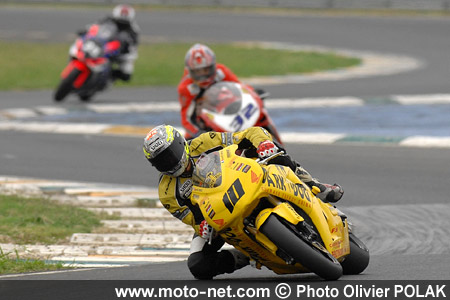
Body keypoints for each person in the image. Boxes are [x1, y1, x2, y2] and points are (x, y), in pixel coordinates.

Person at [142, 125, 344, 279]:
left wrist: (263, 143)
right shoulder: (167, 192)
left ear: (180, 144)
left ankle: (316, 186)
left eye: (170, 155)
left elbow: (248, 134)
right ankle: (245, 256)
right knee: (197, 265)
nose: (169, 163)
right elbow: (190, 217)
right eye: (161, 161)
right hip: (214, 215)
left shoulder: (204, 142)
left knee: (275, 153)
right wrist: (201, 226)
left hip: (242, 181)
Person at [178, 43, 279, 141]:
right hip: (204, 124)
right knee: (193, 149)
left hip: (227, 112)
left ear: (213, 66)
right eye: (197, 72)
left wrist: (254, 94)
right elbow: (186, 119)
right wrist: (199, 133)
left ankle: (278, 143)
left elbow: (240, 87)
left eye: (206, 70)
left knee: (262, 116)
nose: (203, 76)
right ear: (190, 71)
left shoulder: (221, 71)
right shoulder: (185, 88)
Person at [70, 4, 140, 82]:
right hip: (103, 44)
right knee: (82, 45)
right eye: (119, 21)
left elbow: (133, 45)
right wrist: (86, 30)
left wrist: (127, 51)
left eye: (124, 23)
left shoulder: (133, 30)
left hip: (119, 51)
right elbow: (95, 26)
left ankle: (109, 79)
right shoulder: (107, 20)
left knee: (126, 74)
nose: (121, 24)